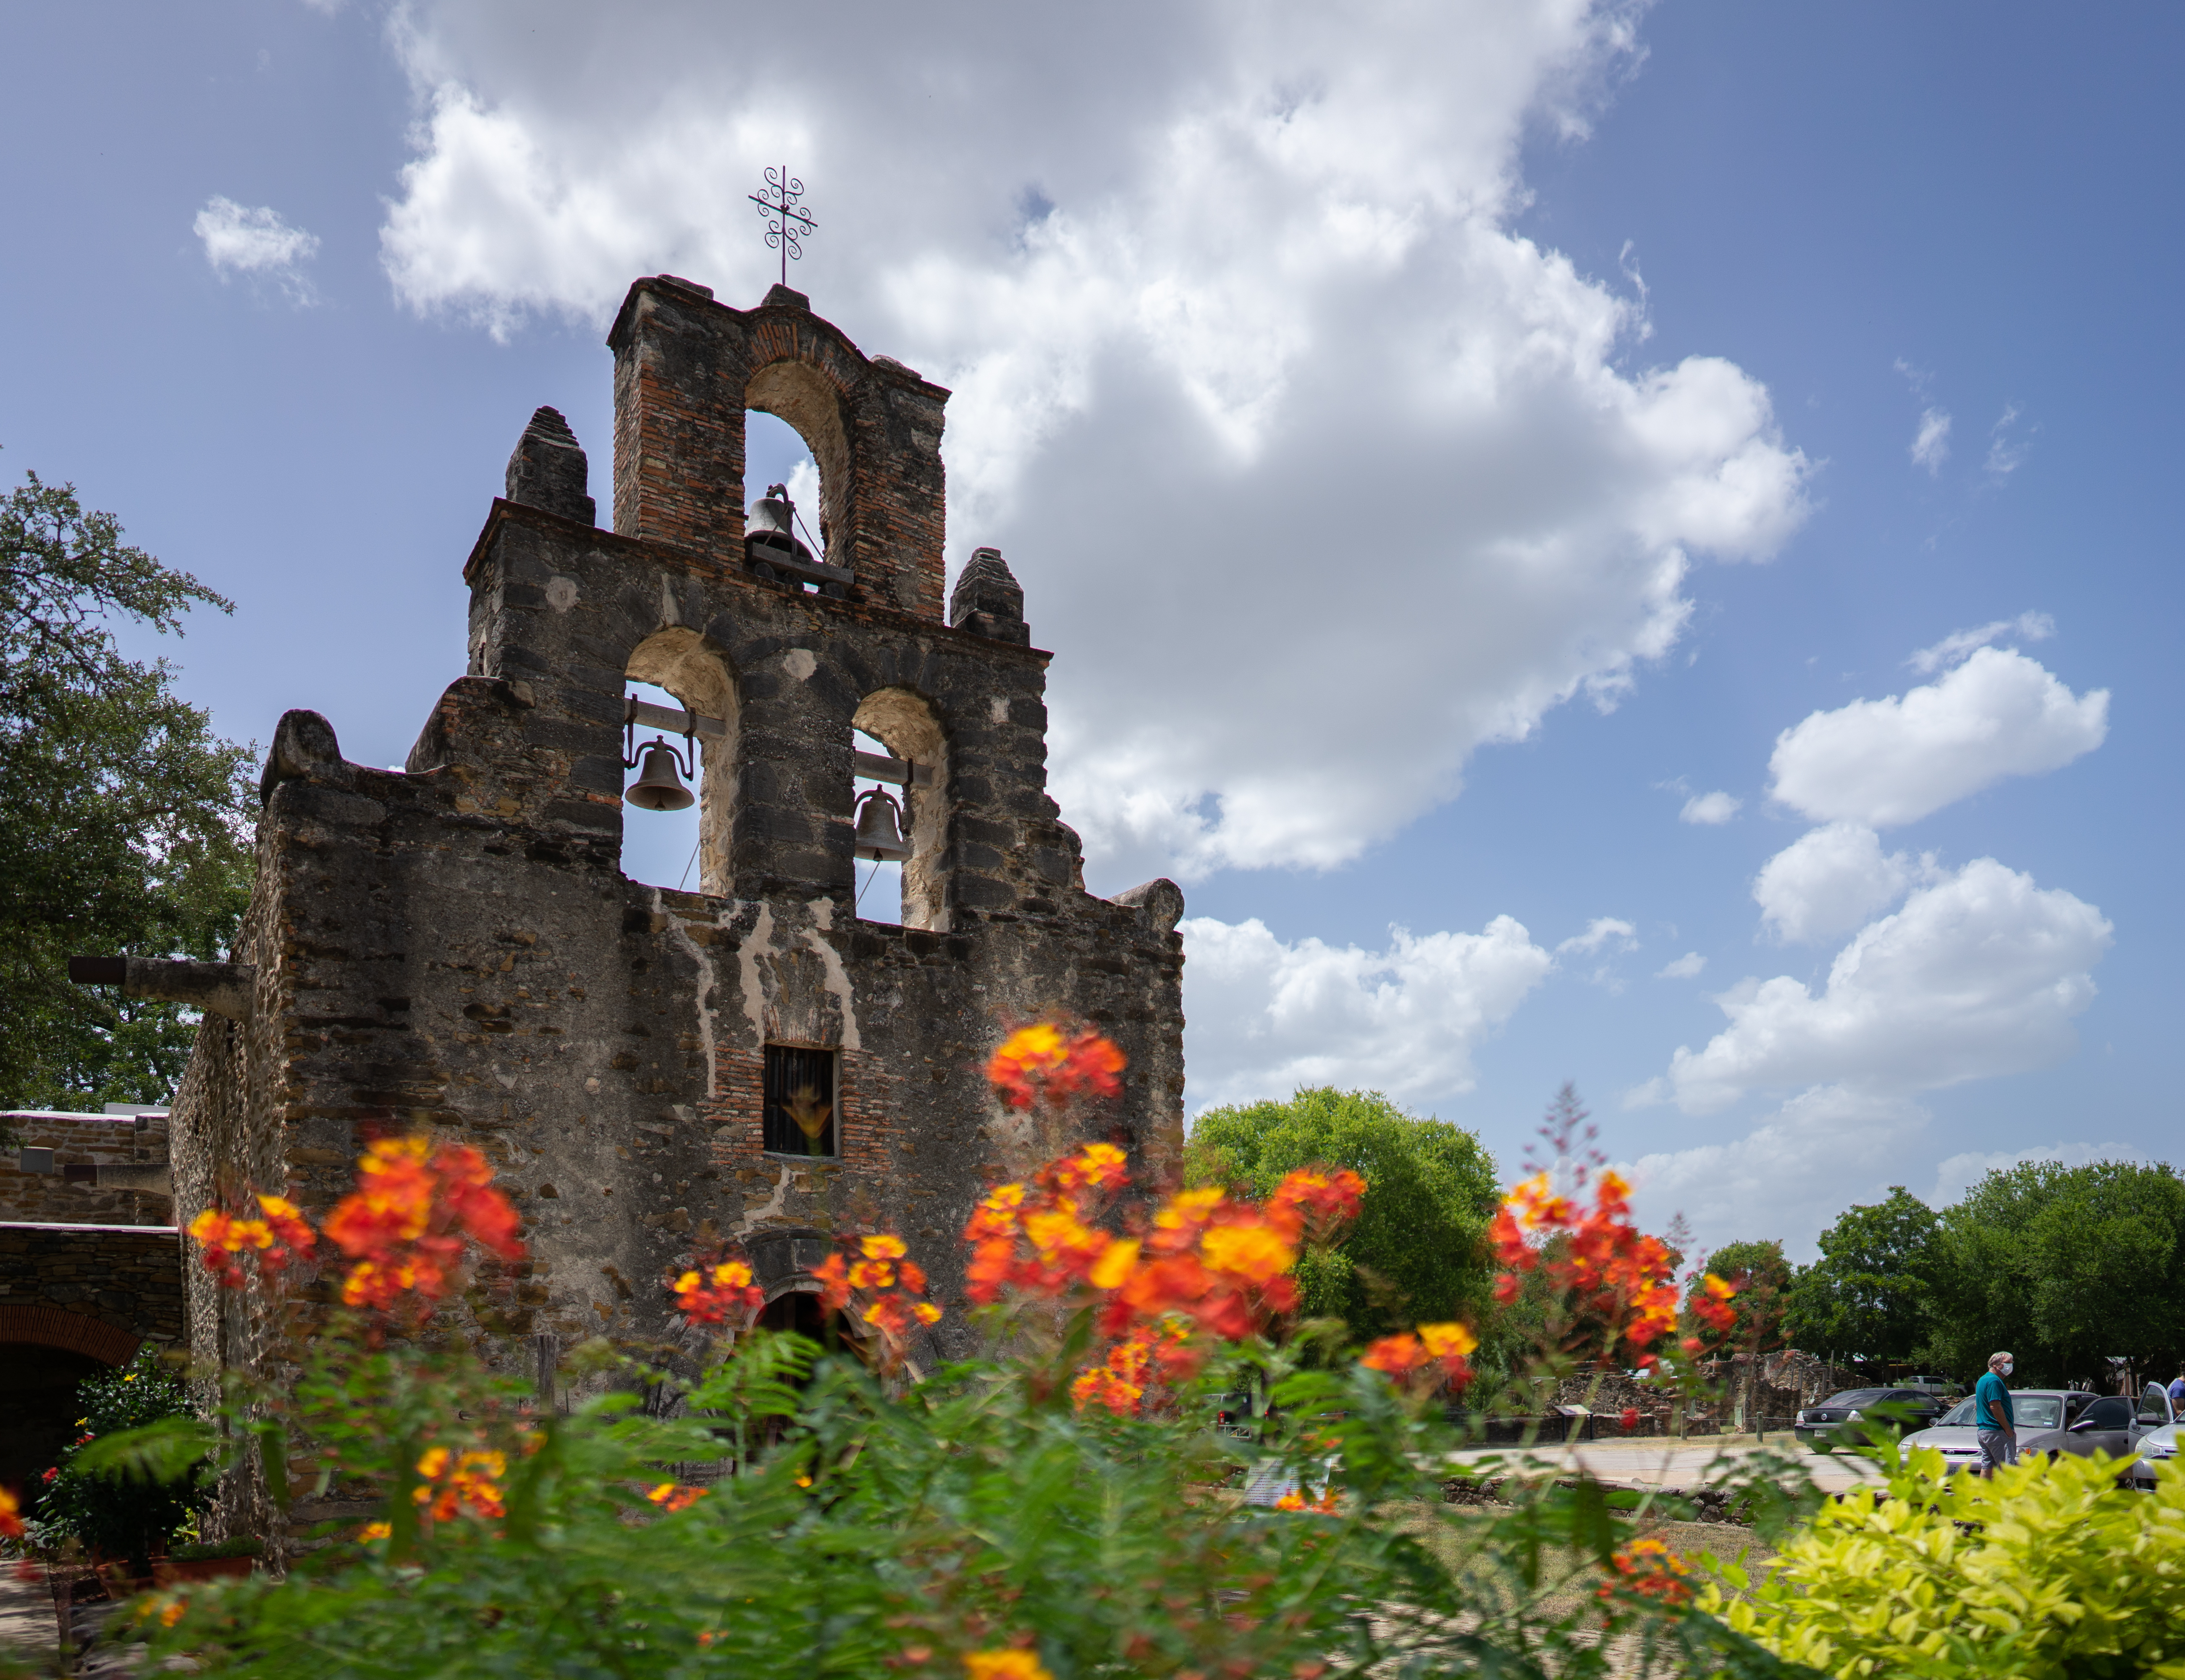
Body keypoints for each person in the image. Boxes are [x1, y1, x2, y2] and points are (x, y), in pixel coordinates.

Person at [1974, 1351, 2017, 1477]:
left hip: (1985, 1432)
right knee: (2007, 1470)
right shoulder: (1994, 1381)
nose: (2011, 1366)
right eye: (2008, 1363)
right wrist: (2008, 1430)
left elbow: (1977, 1405)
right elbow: (1995, 1406)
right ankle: (2008, 1497)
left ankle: (1982, 1496)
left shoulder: (1983, 1380)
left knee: (1987, 1467)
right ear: (1996, 1364)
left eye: (2012, 1363)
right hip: (1997, 1431)